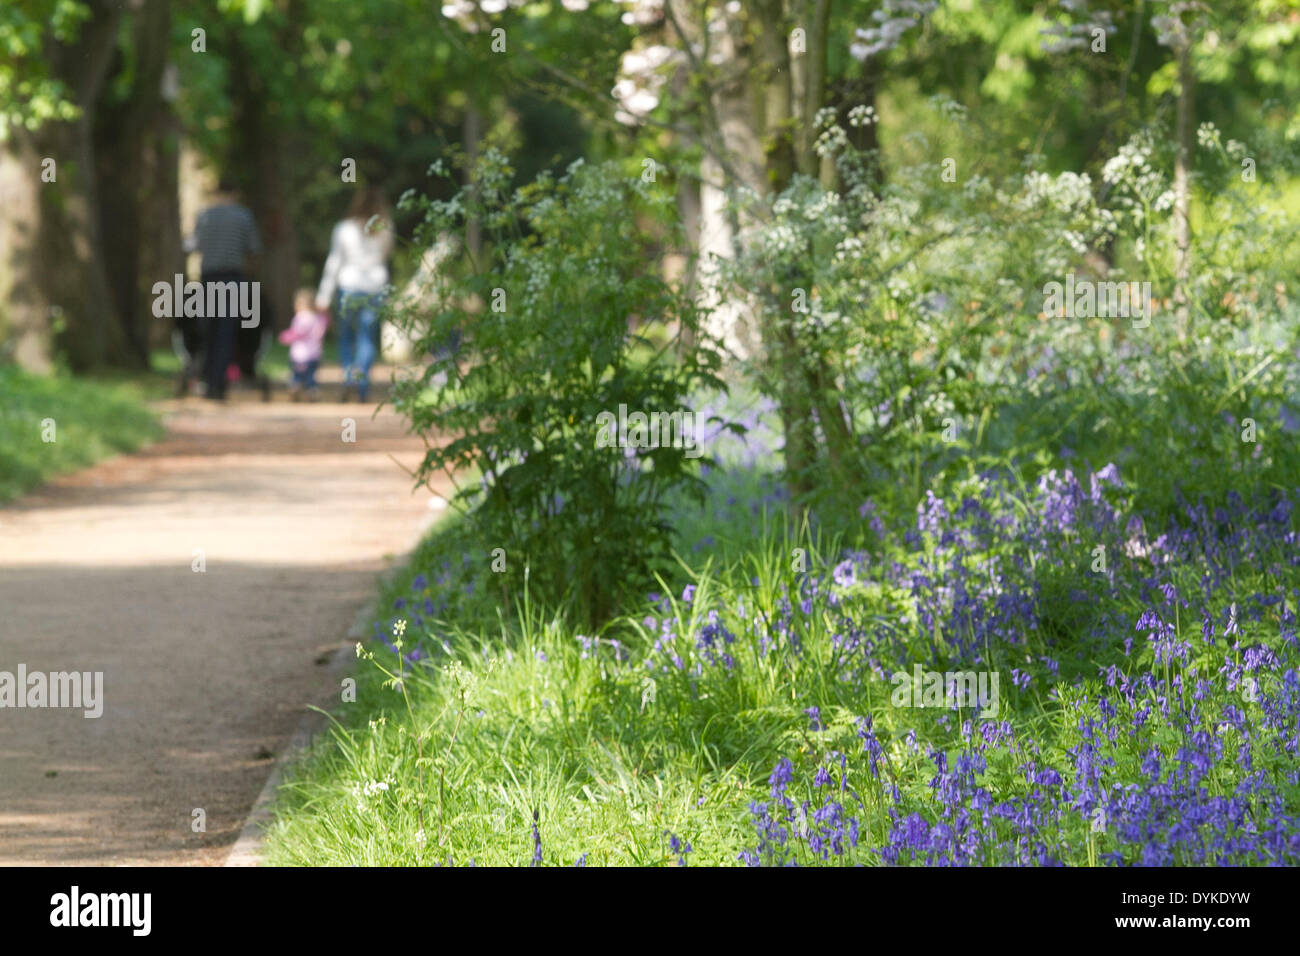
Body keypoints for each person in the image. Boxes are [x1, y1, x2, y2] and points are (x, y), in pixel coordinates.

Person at [185, 177, 262, 400]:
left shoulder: (204, 215)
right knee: (226, 332)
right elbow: (253, 248)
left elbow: (193, 246)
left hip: (209, 278)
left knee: (208, 329)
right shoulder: (243, 216)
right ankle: (220, 382)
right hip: (232, 278)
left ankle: (208, 380)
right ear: (235, 193)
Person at [316, 186, 393, 402]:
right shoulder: (385, 228)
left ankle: (349, 376)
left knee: (346, 337)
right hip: (375, 287)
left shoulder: (344, 229)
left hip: (348, 286)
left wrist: (323, 295)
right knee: (367, 338)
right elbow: (386, 256)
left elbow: (335, 262)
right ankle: (362, 383)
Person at [278, 289, 328, 401]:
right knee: (311, 375)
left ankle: (295, 386)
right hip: (314, 353)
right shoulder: (318, 318)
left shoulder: (301, 317)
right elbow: (323, 328)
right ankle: (312, 390)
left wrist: (285, 337)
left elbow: (298, 332)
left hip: (300, 354)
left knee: (297, 374)